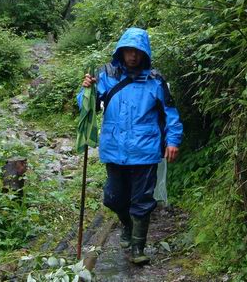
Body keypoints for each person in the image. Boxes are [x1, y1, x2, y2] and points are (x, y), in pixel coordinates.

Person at [78, 27, 183, 264]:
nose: (133, 56)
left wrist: (173, 140)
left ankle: (138, 248)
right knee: (113, 198)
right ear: (121, 51)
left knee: (142, 200)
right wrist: (87, 90)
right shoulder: (107, 74)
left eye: (137, 51)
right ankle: (126, 224)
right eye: (128, 51)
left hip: (145, 150)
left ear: (144, 53)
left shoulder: (156, 80)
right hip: (114, 149)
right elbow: (89, 107)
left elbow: (171, 113)